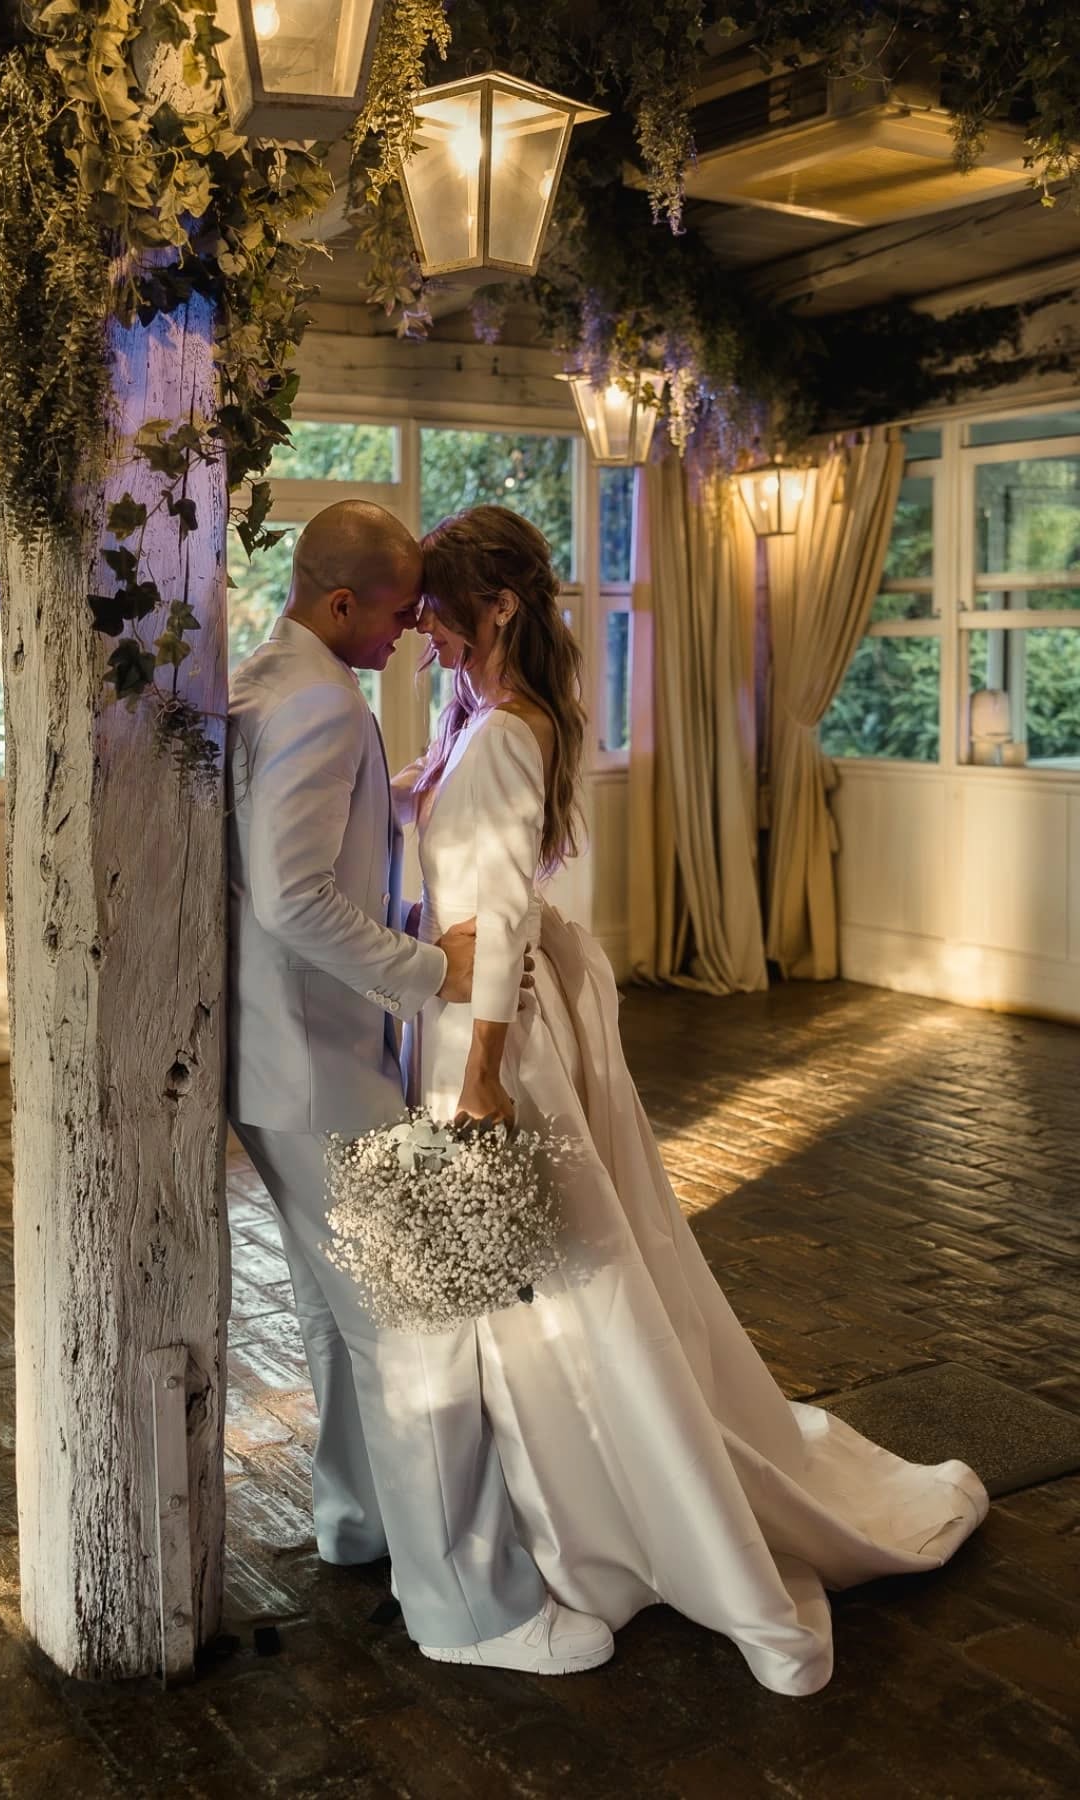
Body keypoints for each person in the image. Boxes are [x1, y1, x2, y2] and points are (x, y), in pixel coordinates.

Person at [396, 502, 988, 1696]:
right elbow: (446, 822)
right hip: (461, 1011)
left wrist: (479, 1079)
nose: (426, 639)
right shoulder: (479, 718)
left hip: (492, 1037)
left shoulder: (511, 733)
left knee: (560, 1279)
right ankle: (557, 1498)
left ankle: (635, 1512)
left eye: (440, 618)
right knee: (522, 1285)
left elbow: (505, 915)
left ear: (497, 606)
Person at [226, 499, 614, 1672]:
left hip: (273, 1061)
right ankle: (474, 1610)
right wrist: (422, 970)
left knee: (340, 1321)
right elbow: (288, 897)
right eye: (399, 614)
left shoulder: (261, 675)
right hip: (320, 1058)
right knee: (417, 1327)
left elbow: (318, 856)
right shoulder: (320, 706)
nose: (411, 633)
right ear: (342, 603)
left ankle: (358, 1523)